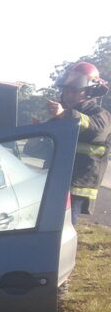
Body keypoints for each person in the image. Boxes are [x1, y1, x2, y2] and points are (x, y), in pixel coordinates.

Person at [47, 61, 111, 225]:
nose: (68, 95)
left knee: (64, 227)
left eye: (74, 91)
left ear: (89, 91)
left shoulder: (100, 114)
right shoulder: (63, 114)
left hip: (77, 184)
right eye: (66, 90)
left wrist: (65, 115)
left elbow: (95, 129)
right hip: (57, 179)